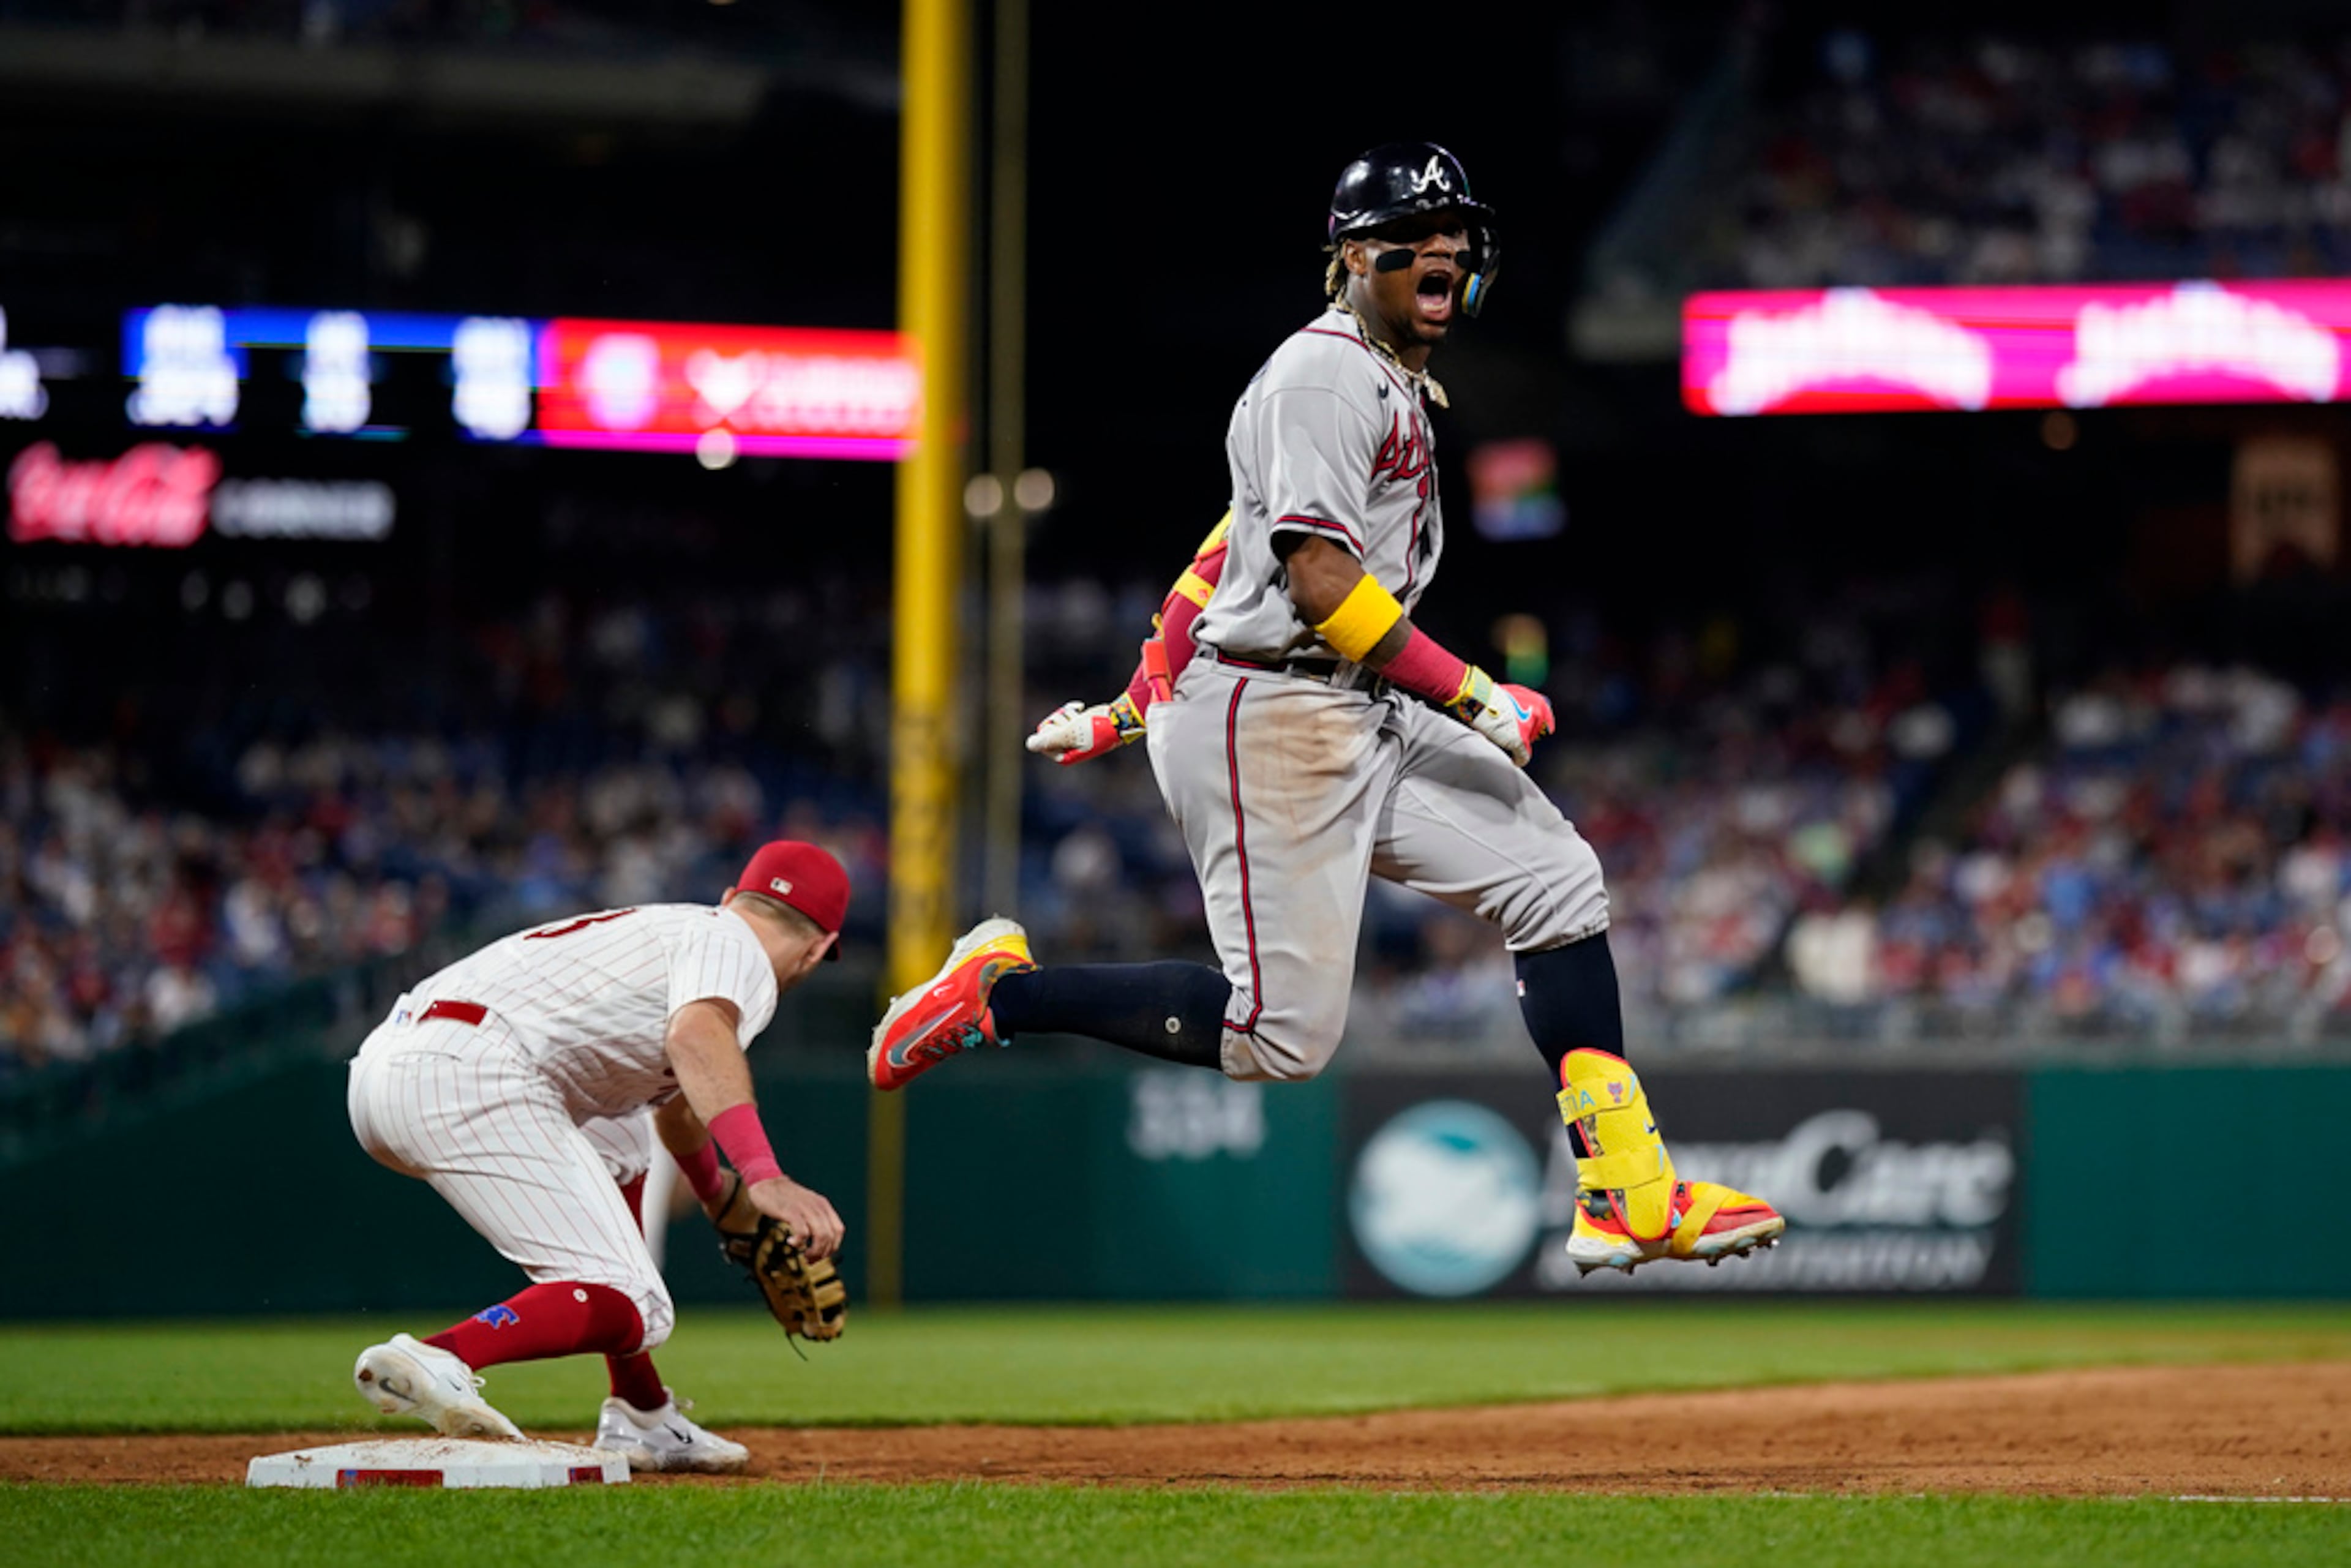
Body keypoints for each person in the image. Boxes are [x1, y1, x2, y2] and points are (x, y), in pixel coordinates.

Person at [872, 143, 1784, 1277]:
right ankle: (1001, 995)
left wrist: (1126, 705)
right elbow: (1314, 583)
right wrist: (1475, 691)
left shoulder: (1383, 376)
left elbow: (1222, 552)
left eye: (1459, 233)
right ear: (1356, 256)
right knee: (1280, 1039)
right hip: (1275, 718)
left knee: (1557, 881)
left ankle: (1628, 1196)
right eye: (1420, 231)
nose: (1446, 250)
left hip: (1349, 703)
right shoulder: (1325, 376)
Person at [346, 841, 850, 1470]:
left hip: (390, 1066)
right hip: (471, 1073)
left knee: (626, 1139)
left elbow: (679, 1104)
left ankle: (642, 1413)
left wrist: (720, 1195)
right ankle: (441, 1353)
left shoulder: (685, 930)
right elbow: (697, 1039)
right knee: (640, 1304)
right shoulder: (738, 949)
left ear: (731, 896)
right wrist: (764, 1176)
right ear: (819, 948)